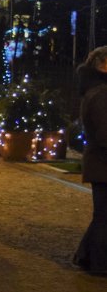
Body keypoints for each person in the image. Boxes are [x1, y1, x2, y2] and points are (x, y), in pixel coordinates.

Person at [73, 46, 107, 275]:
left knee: (103, 215)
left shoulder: (94, 90)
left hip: (99, 160)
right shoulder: (101, 93)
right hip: (103, 161)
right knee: (103, 216)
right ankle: (97, 263)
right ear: (102, 64)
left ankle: (86, 256)